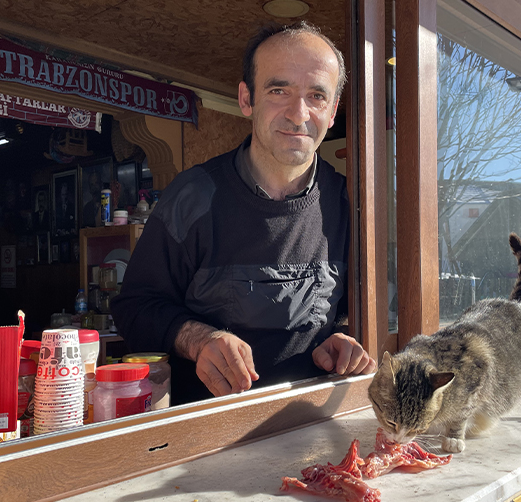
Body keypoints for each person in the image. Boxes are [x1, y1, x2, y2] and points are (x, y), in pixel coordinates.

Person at [112, 21, 376, 405]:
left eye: (317, 96)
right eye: (279, 90)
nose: (299, 114)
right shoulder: (192, 196)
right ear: (246, 99)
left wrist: (344, 335)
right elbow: (134, 310)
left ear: (333, 110)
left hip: (312, 422)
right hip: (208, 429)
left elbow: (359, 311)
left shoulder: (350, 202)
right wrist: (199, 339)